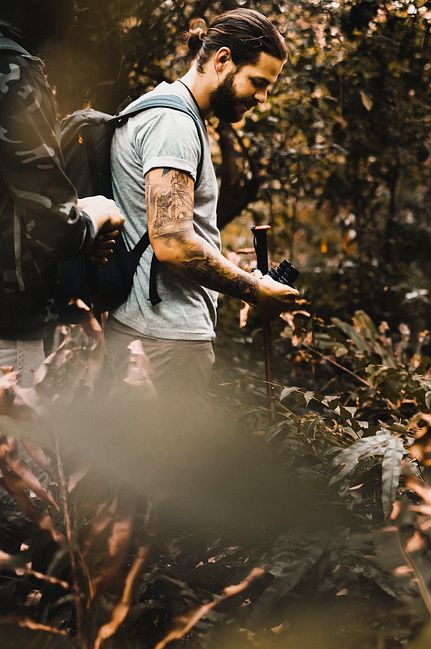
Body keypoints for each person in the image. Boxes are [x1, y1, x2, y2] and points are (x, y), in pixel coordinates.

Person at [104, 8, 299, 399]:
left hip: (150, 331)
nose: (262, 98)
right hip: (165, 339)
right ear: (222, 59)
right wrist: (252, 290)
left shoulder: (167, 111)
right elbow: (173, 243)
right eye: (257, 82)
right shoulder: (173, 124)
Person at [0, 0, 125, 387]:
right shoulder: (15, 74)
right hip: (9, 326)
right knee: (21, 446)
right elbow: (56, 229)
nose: (77, 10)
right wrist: (98, 212)